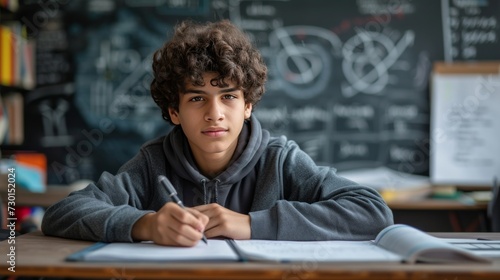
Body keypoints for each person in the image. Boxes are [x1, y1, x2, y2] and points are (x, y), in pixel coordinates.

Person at [41, 19, 393, 247]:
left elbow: (372, 211)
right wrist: (145, 225)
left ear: (248, 105)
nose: (215, 114)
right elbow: (62, 213)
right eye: (197, 98)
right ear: (174, 112)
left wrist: (252, 224)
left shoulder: (280, 160)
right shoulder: (152, 163)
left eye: (229, 96)